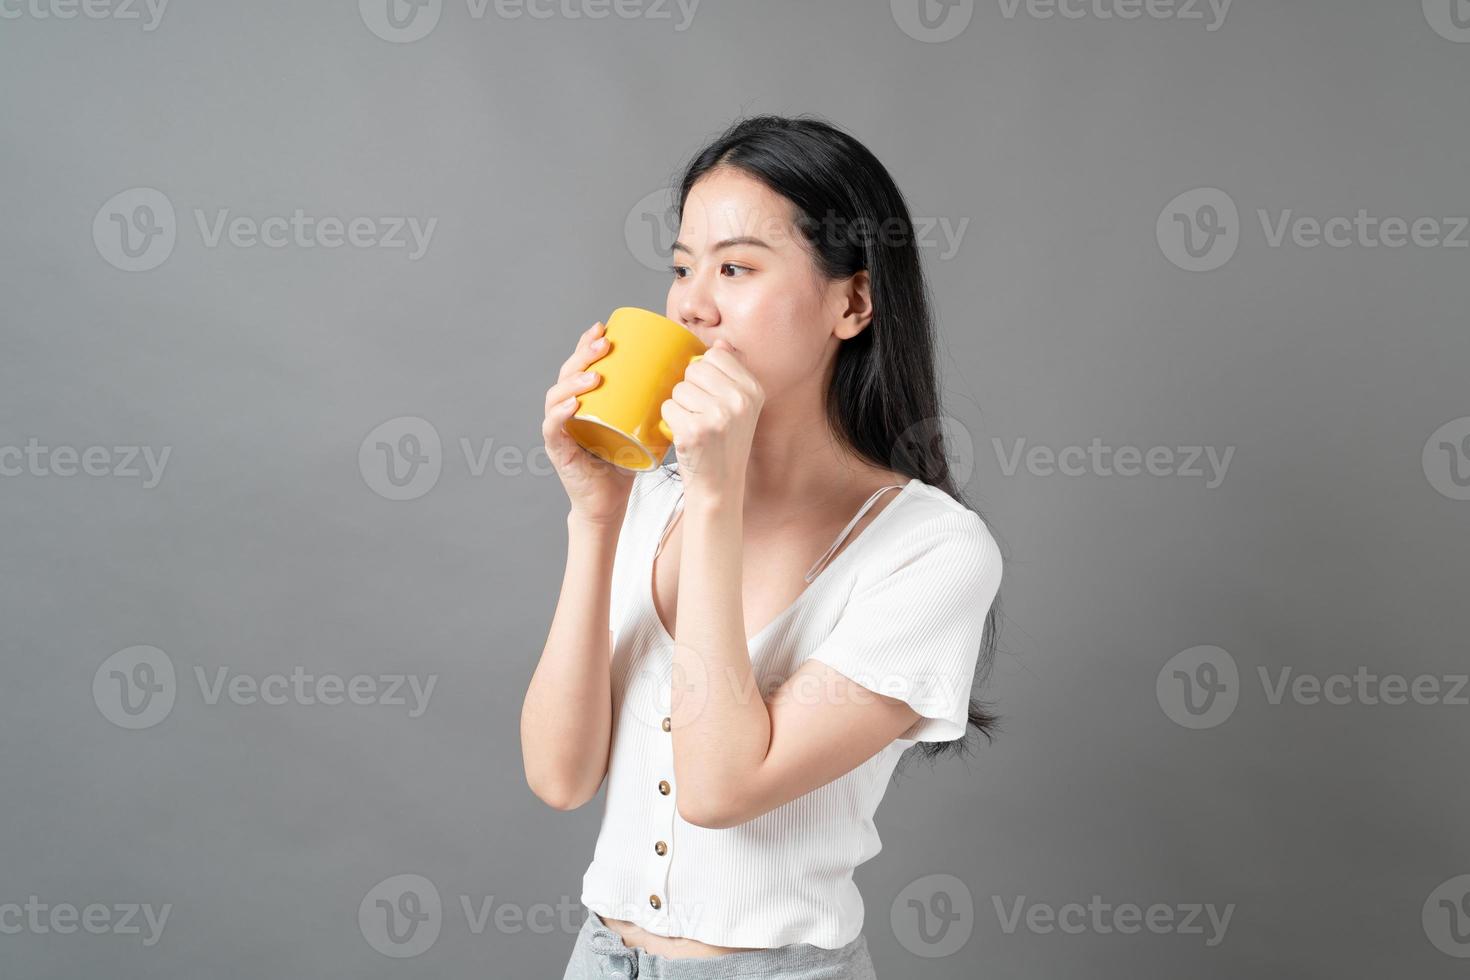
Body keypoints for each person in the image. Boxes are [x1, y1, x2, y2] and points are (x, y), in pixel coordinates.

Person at [523, 113, 1005, 979]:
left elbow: (719, 788)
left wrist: (714, 494)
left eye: (736, 267)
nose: (690, 303)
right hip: (598, 959)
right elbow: (559, 777)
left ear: (851, 303)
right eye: (682, 268)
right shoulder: (647, 503)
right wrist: (595, 516)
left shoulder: (933, 552)